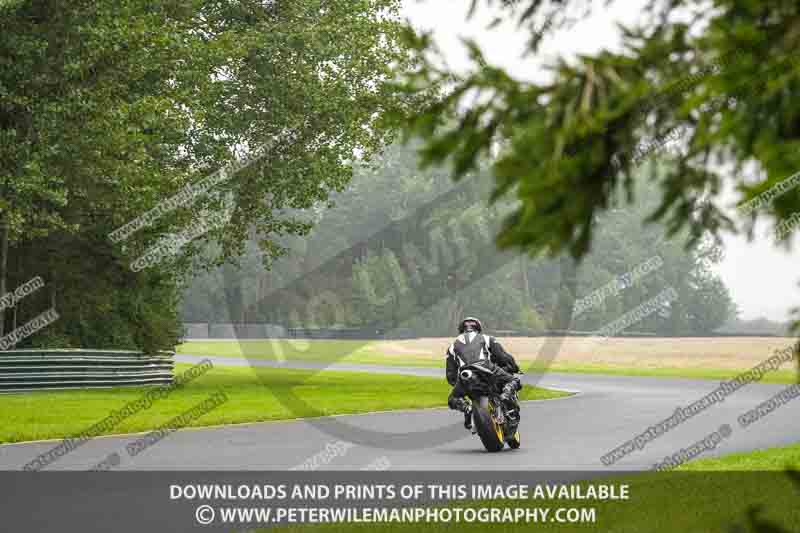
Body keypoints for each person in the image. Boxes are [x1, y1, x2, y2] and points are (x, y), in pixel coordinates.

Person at [445, 316, 523, 430]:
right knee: (514, 380)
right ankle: (506, 394)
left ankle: (467, 408)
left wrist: (460, 386)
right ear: (478, 328)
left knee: (452, 399)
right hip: (486, 367)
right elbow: (503, 357)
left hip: (465, 374)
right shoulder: (487, 338)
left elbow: (450, 376)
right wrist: (514, 367)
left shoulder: (452, 347)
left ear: (461, 329)